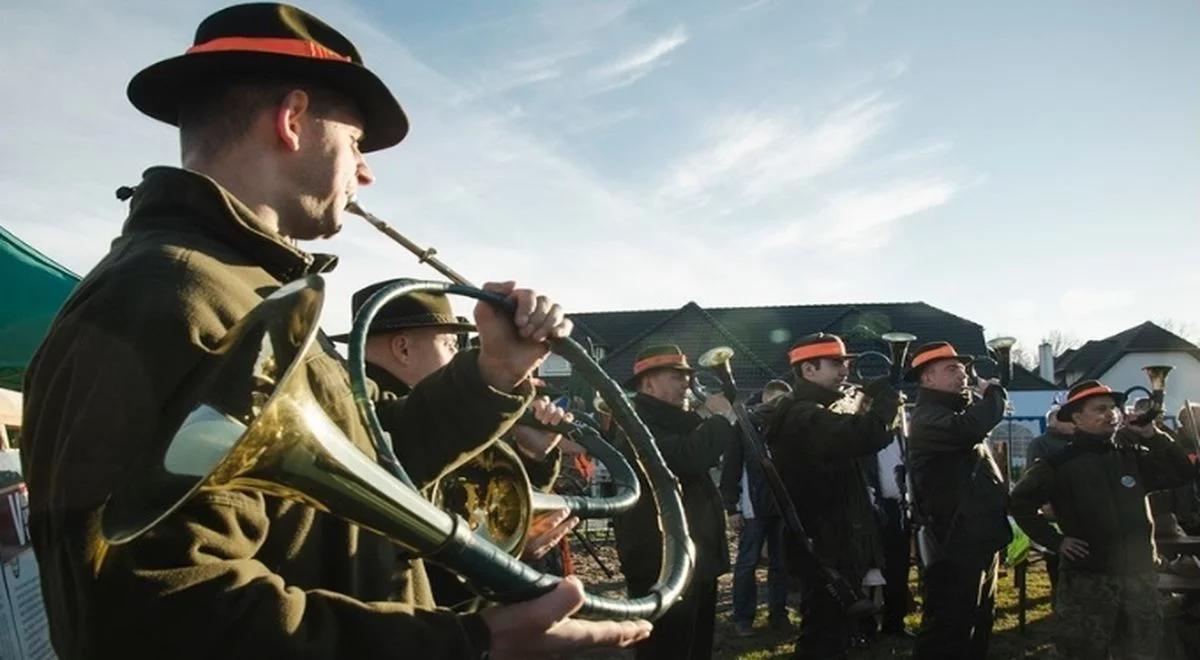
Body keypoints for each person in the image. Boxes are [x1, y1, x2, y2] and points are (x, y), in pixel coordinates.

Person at [19, 5, 650, 658]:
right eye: (356, 144)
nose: (367, 171)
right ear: (293, 120)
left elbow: (366, 468)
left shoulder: (244, 289)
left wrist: (493, 370)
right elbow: (160, 612)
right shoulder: (165, 297)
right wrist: (470, 643)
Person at [335, 280, 580, 605]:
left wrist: (532, 456)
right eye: (450, 344)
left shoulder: (434, 421)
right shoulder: (389, 423)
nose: (457, 356)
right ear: (403, 349)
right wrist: (501, 556)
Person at [1010, 380, 1194, 659]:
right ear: (1076, 417)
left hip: (1139, 577)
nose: (1111, 414)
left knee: (1143, 651)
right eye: (1099, 409)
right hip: (1088, 580)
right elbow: (1019, 504)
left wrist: (1153, 434)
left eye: (1112, 408)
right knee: (1083, 651)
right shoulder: (1057, 465)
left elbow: (1182, 473)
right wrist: (1056, 541)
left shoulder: (1131, 457)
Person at [764, 333, 901, 659]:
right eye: (836, 363)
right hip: (824, 545)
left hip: (832, 541)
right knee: (823, 637)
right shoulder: (802, 414)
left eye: (845, 362)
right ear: (808, 370)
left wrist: (865, 403)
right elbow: (865, 435)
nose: (845, 370)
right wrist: (887, 400)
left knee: (834, 633)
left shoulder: (813, 410)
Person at [613, 344, 739, 659]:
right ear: (648, 383)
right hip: (661, 563)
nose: (686, 383)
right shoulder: (636, 424)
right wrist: (720, 417)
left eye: (686, 376)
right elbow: (687, 457)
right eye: (676, 376)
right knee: (666, 649)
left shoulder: (673, 419)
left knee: (695, 647)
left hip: (692, 559)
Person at [906, 341, 1011, 660]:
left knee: (979, 618)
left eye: (963, 368)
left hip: (977, 535)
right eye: (952, 369)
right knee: (949, 626)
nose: (962, 374)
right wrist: (994, 393)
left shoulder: (952, 412)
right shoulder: (928, 417)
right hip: (953, 540)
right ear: (927, 378)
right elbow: (970, 428)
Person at [720, 378, 793, 637]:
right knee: (747, 563)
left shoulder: (788, 426)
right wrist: (732, 507)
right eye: (775, 400)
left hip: (782, 508)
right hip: (753, 507)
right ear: (765, 398)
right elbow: (731, 467)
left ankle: (778, 614)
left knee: (780, 564)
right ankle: (743, 617)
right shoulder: (744, 424)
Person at [1022, 404, 1076, 597]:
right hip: (1054, 509)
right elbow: (1032, 476)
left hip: (1078, 509)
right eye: (1060, 418)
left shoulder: (1080, 442)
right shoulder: (1041, 444)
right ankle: (1058, 592)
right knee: (1056, 556)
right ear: (1051, 422)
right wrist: (1044, 504)